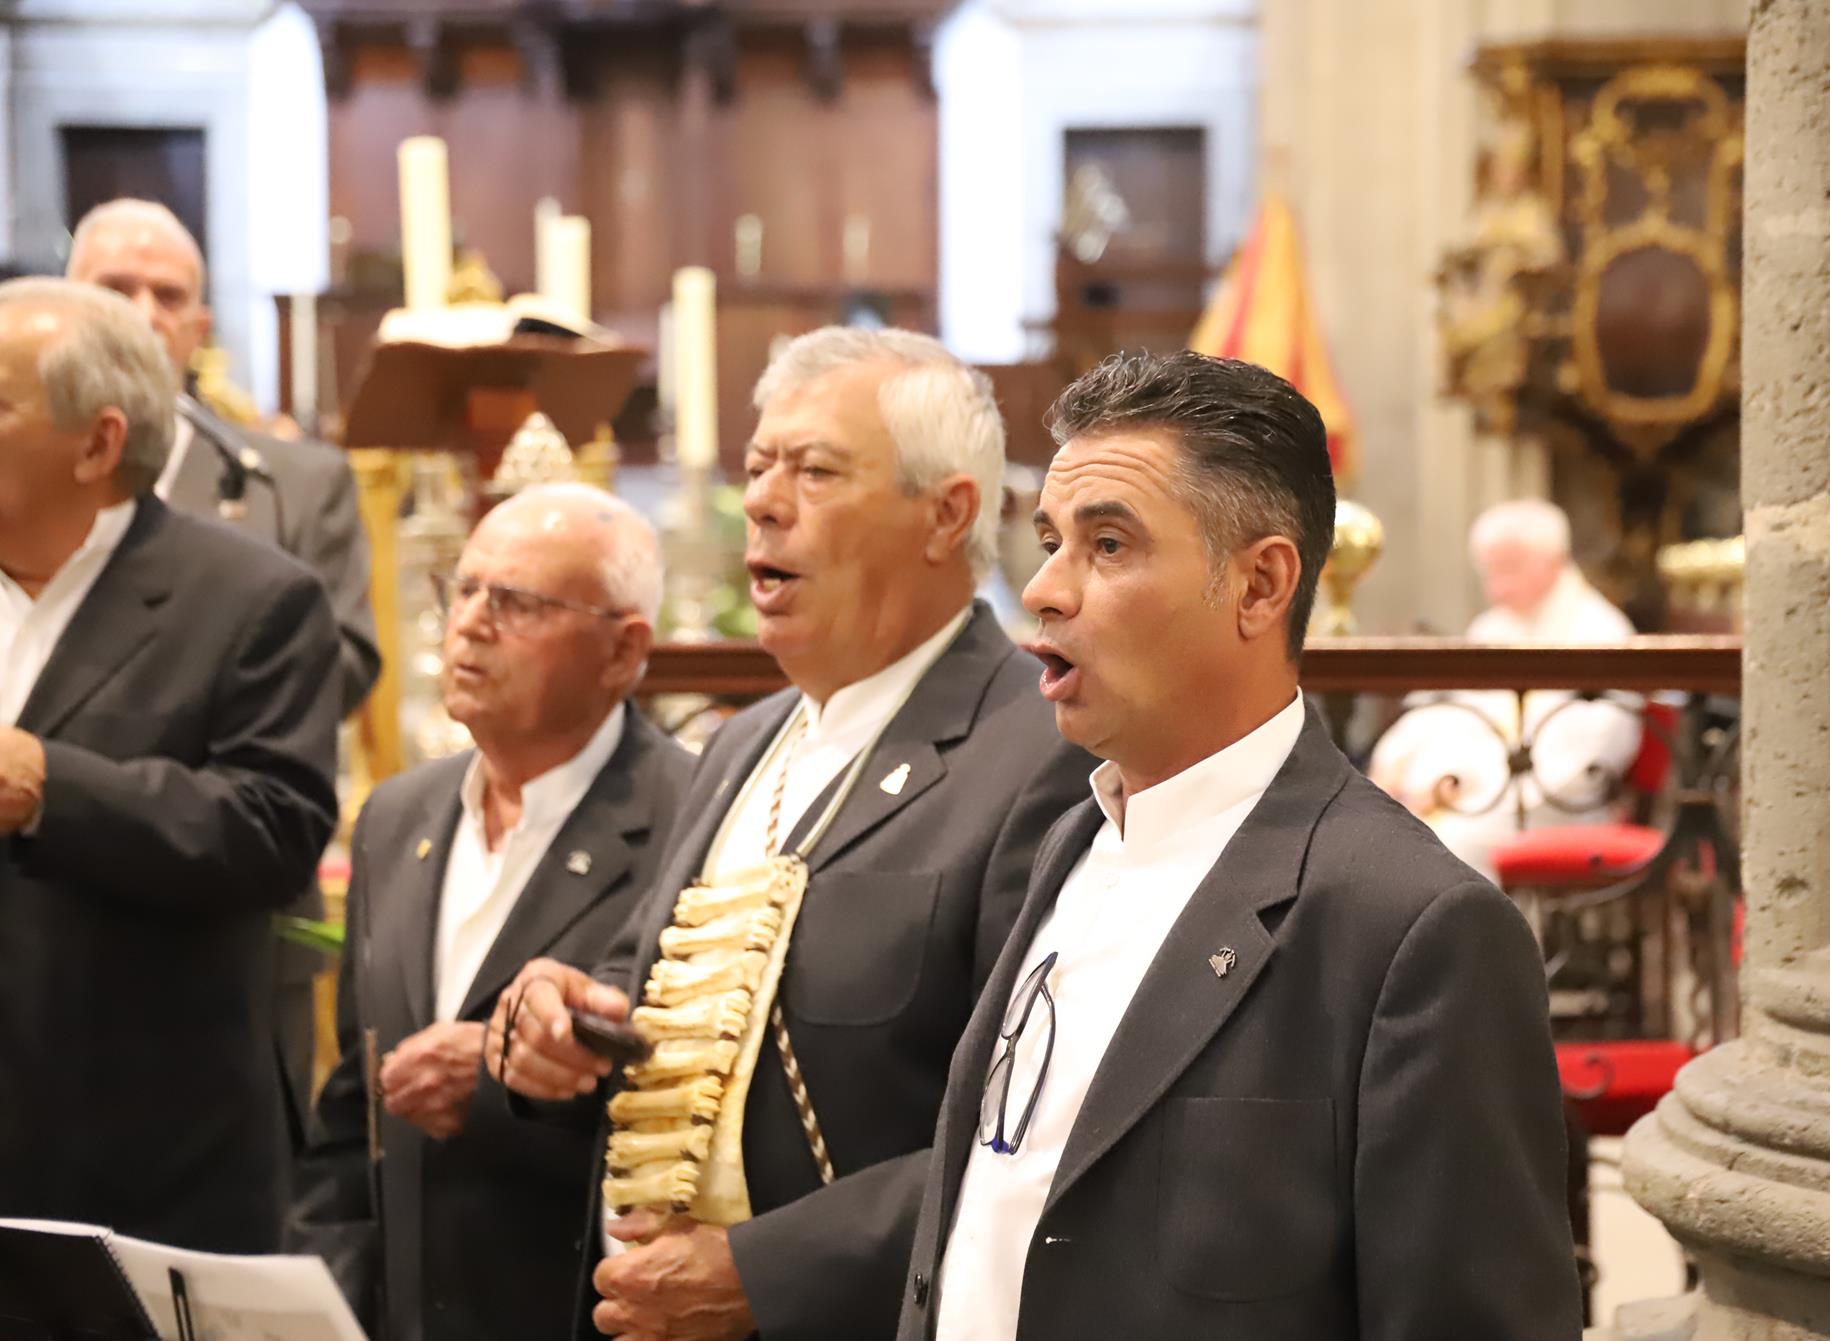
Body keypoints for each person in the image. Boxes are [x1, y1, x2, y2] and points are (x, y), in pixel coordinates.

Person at [901, 351, 1579, 1341]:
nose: (1044, 589)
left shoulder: (1412, 929)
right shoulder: (1069, 841)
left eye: (1108, 545)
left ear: (1259, 585)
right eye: (1050, 541)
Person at [487, 328, 1093, 1341]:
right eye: (759, 466)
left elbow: (1039, 1125)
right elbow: (651, 989)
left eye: (814, 472)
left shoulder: (1040, 754)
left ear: (946, 514)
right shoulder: (742, 744)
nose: (762, 501)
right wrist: (558, 1017)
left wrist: (768, 1274)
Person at [288, 484, 696, 1341]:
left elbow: (703, 1105)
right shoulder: (399, 815)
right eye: (462, 588)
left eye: (516, 603)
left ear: (623, 652)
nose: (469, 622)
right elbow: (356, 1106)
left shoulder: (694, 818)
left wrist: (507, 1078)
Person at [0, 278, 340, 1251]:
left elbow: (273, 829)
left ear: (98, 444)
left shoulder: (249, 600)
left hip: (139, 1170)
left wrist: (49, 789)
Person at [68, 198, 381, 1131]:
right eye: (113, 288)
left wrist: (86, 759)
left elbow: (346, 658)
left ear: (200, 328)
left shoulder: (291, 482)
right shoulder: (22, 469)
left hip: (230, 902)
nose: (139, 312)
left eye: (166, 295)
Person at [1367, 497, 1642, 877]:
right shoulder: (1494, 627)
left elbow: (1579, 764)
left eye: (1510, 570)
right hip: (1474, 796)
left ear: (1555, 560)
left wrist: (1458, 787)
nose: (1497, 589)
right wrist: (1402, 762)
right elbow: (1449, 714)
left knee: (1433, 848)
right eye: (1489, 573)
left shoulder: (1600, 633)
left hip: (1554, 808)